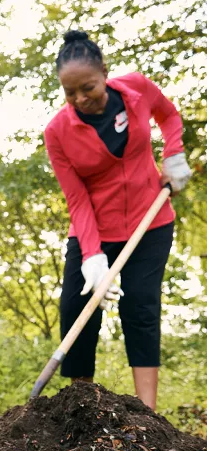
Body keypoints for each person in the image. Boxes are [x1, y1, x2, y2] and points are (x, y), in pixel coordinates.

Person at [44, 30, 192, 411]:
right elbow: (76, 198)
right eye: (70, 92)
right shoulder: (58, 132)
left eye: (88, 87)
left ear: (104, 73)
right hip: (94, 228)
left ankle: (148, 414)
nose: (80, 99)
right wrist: (92, 256)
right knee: (78, 309)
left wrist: (173, 155)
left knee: (140, 307)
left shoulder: (137, 90)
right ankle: (82, 409)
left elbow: (170, 116)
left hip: (151, 220)